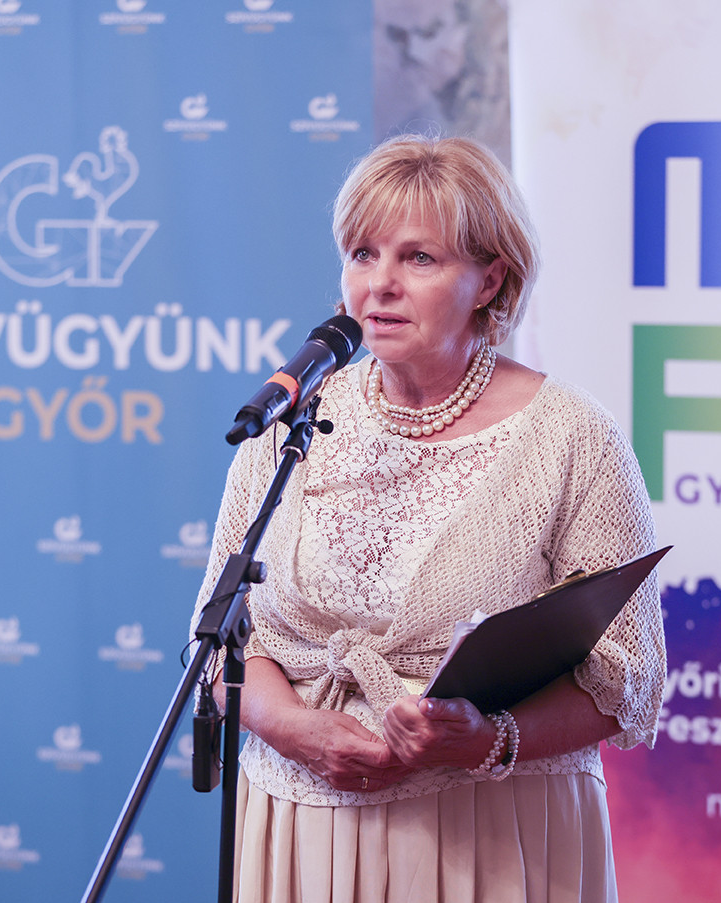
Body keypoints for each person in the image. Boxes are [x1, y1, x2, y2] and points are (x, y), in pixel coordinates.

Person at [190, 134, 665, 903]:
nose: (378, 284)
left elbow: (626, 676)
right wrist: (295, 729)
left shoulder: (573, 435)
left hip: (492, 835)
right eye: (362, 253)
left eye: (418, 258)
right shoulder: (294, 421)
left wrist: (491, 738)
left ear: (490, 280)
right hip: (297, 822)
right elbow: (219, 643)